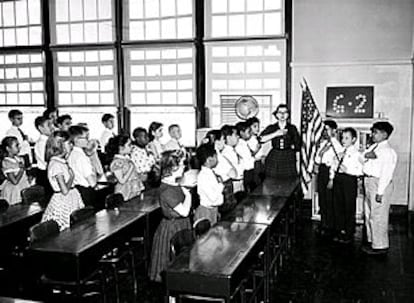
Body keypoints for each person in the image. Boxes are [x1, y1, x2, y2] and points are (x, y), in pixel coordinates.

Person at [149, 150, 191, 282]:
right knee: (171, 264)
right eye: (182, 164)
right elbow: (184, 211)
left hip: (181, 224)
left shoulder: (173, 183)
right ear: (173, 168)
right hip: (172, 228)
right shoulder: (167, 190)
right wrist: (188, 195)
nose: (184, 167)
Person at [361, 121, 397, 255]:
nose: (372, 134)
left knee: (379, 216)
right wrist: (366, 155)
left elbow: (386, 173)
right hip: (369, 181)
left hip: (380, 183)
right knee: (370, 214)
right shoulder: (374, 147)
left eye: (375, 132)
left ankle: (380, 246)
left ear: (384, 134)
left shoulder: (387, 151)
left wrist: (380, 192)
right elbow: (362, 157)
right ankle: (373, 240)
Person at [41, 131, 85, 231]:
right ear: (60, 145)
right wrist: (71, 177)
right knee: (65, 228)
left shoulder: (61, 162)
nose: (72, 145)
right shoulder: (56, 164)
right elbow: (64, 190)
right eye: (69, 143)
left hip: (71, 197)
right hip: (63, 200)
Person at [327, 127, 363, 243]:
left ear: (354, 139)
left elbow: (360, 170)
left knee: (349, 206)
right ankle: (339, 230)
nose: (343, 140)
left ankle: (348, 232)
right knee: (338, 205)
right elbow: (333, 165)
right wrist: (332, 178)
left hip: (349, 180)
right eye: (342, 137)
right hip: (338, 179)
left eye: (347, 138)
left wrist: (347, 170)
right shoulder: (340, 152)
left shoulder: (357, 154)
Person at [314, 120, 343, 237]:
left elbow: (337, 162)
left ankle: (330, 225)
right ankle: (324, 222)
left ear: (334, 130)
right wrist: (321, 152)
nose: (325, 132)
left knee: (329, 199)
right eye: (323, 129)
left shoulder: (336, 145)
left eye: (327, 129)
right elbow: (317, 159)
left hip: (330, 172)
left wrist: (331, 177)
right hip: (322, 170)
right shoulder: (322, 143)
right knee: (322, 198)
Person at [259, 104, 300, 178]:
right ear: (276, 114)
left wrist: (298, 164)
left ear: (288, 114)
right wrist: (276, 133)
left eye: (285, 112)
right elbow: (261, 139)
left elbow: (298, 146)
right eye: (280, 112)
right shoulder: (272, 127)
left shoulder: (292, 128)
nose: (282, 115)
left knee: (289, 180)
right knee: (272, 179)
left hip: (289, 156)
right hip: (275, 156)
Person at [205, 129, 237, 215]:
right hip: (224, 188)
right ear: (217, 142)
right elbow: (234, 174)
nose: (224, 141)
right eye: (223, 139)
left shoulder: (208, 155)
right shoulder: (220, 157)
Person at [67, 125, 98, 208]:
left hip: (76, 190)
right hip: (86, 192)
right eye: (86, 137)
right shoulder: (81, 157)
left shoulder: (71, 154)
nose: (88, 140)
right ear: (77, 140)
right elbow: (92, 182)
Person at [106, 134, 143, 200]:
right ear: (121, 147)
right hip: (124, 192)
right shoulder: (116, 162)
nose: (132, 147)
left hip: (133, 190)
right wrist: (131, 168)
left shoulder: (126, 159)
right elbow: (122, 180)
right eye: (129, 145)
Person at [195, 143, 224, 225]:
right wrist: (220, 185)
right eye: (215, 156)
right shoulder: (203, 176)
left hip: (213, 210)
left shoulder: (210, 173)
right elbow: (213, 198)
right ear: (209, 160)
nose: (217, 159)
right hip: (206, 212)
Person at [0, 136, 30, 205]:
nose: (19, 147)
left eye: (18, 145)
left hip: (23, 185)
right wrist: (21, 170)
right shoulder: (7, 162)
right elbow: (14, 181)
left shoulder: (18, 158)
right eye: (16, 145)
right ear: (8, 149)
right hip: (14, 190)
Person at [34, 116, 54, 198]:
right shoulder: (41, 143)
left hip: (50, 173)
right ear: (40, 128)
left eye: (52, 124)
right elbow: (47, 161)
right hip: (44, 175)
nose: (52, 127)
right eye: (49, 125)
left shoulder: (50, 140)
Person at [221, 125, 244, 193]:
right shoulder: (225, 153)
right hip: (233, 183)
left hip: (239, 182)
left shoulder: (233, 150)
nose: (238, 137)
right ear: (228, 137)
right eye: (236, 135)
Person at [235, 121, 256, 192]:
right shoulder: (240, 145)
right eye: (248, 132)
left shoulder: (244, 143)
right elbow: (248, 157)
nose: (250, 134)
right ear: (241, 132)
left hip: (250, 170)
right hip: (247, 171)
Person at [246, 117, 264, 183]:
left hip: (259, 162)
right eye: (255, 126)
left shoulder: (256, 138)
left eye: (258, 126)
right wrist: (257, 149)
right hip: (254, 163)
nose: (257, 128)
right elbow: (249, 154)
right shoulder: (248, 140)